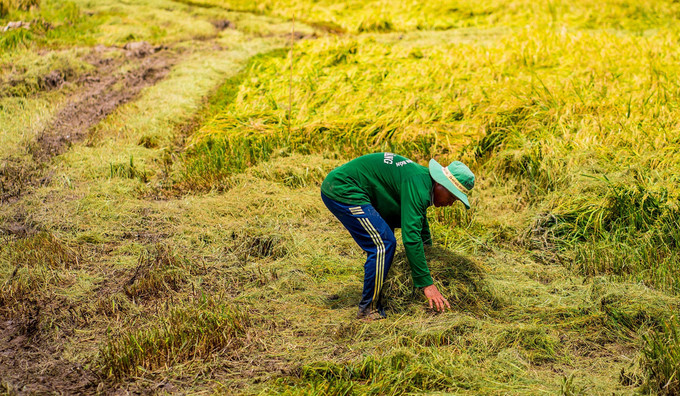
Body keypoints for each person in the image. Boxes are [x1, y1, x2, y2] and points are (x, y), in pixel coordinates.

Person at [321, 152, 475, 320]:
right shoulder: (418, 184)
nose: (451, 203)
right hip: (343, 189)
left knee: (385, 240)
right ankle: (368, 309)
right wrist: (427, 284)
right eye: (452, 196)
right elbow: (411, 238)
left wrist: (430, 256)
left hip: (360, 190)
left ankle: (379, 293)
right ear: (440, 184)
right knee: (383, 245)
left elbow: (419, 225)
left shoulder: (423, 182)